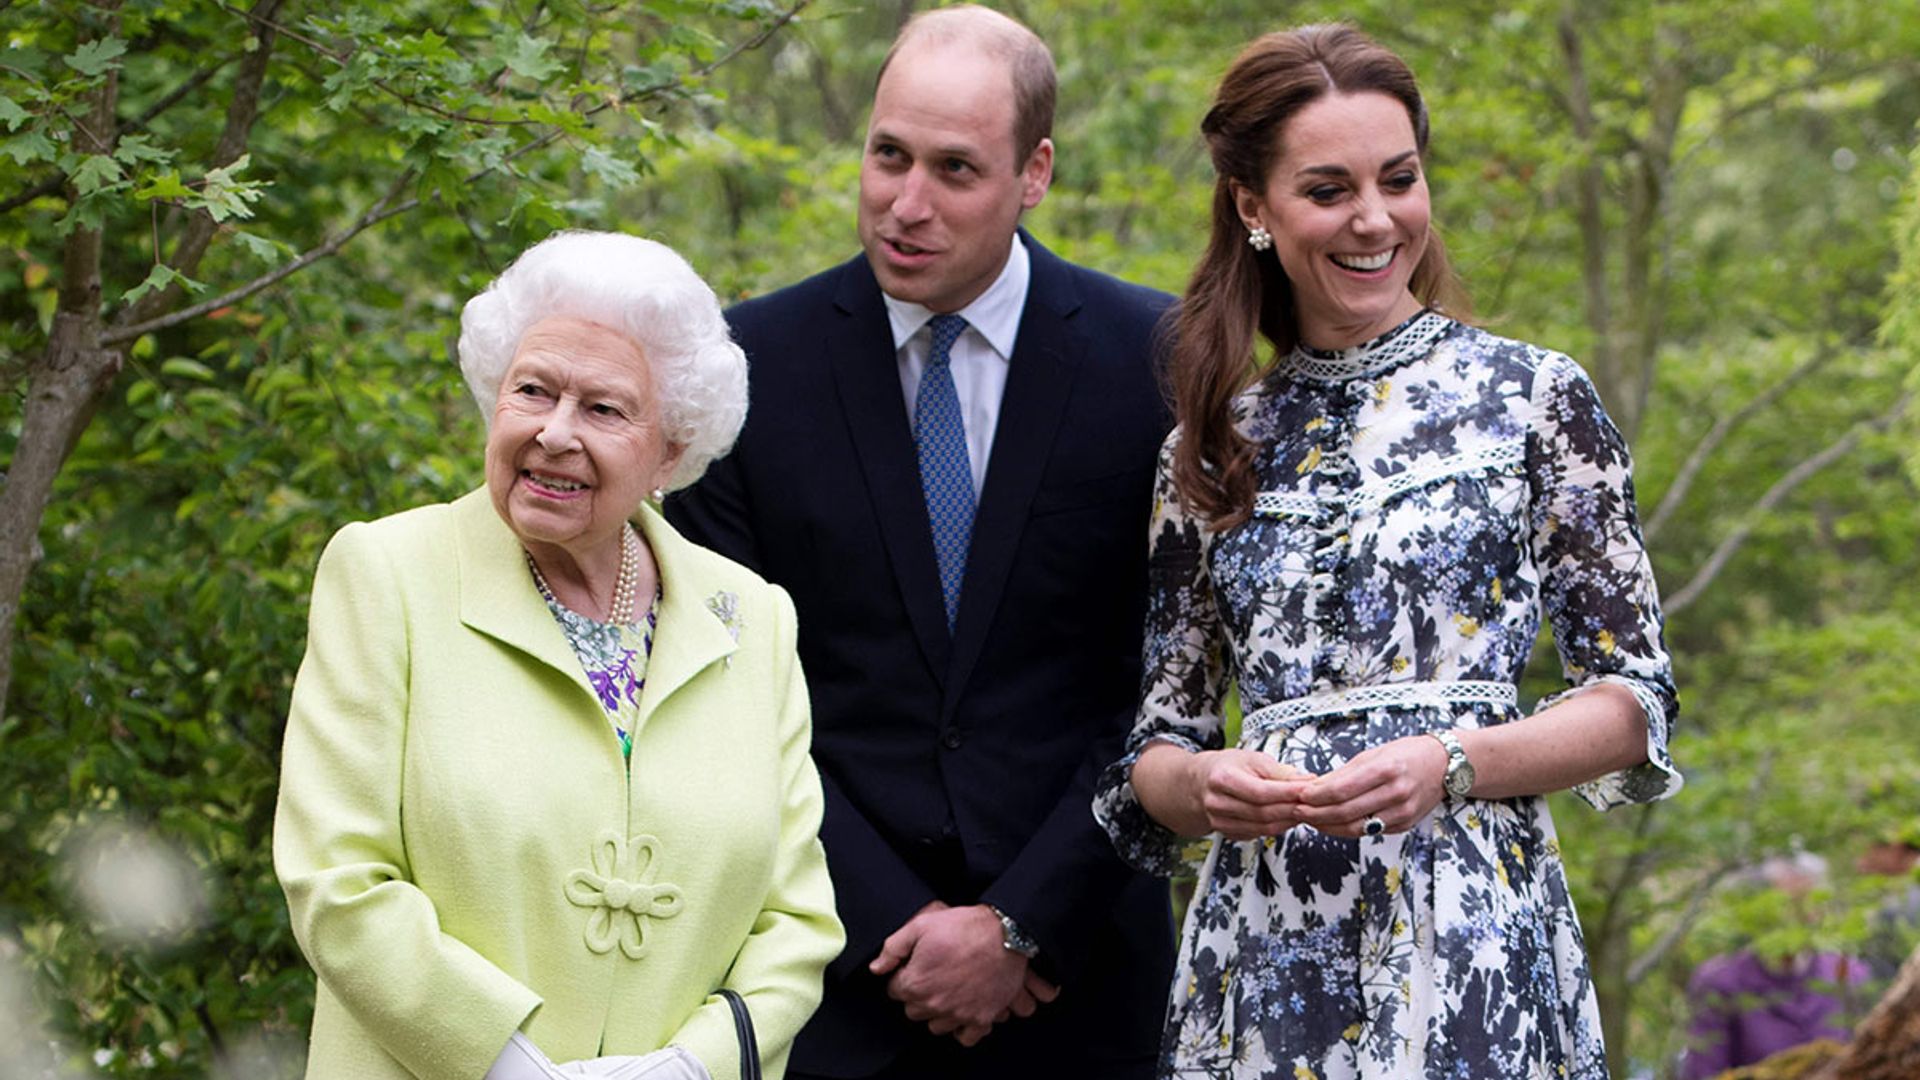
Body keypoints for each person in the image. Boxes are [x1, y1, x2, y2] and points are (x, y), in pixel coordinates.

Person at [1092, 24, 1682, 1079]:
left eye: (1399, 179)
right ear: (1252, 207)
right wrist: (1207, 785)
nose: (1375, 220)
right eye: (1329, 190)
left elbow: (1634, 701)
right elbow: (1159, 745)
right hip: (1262, 956)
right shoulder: (1211, 445)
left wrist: (1454, 763)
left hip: (1473, 937)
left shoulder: (1536, 399)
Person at [666, 7, 1175, 1079]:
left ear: (1034, 173)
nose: (906, 205)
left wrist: (1023, 924)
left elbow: (1170, 682)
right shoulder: (743, 372)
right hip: (829, 981)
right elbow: (727, 693)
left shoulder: (1157, 363)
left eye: (955, 170)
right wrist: (906, 930)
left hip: (1083, 985)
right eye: (888, 155)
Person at [273, 231, 843, 1080]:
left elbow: (796, 922)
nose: (553, 433)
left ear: (673, 451)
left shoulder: (751, 619)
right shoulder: (387, 575)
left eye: (604, 409)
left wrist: (691, 1068)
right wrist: (509, 1066)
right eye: (532, 391)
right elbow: (338, 882)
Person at [1680, 854, 1869, 1078]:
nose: (1799, 917)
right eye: (1787, 905)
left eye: (1808, 904)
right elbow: (1703, 1072)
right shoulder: (1720, 981)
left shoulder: (1848, 975)